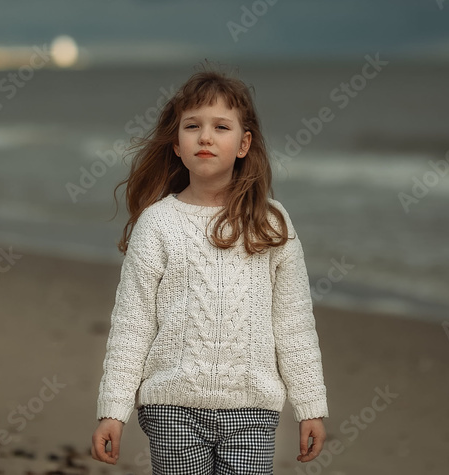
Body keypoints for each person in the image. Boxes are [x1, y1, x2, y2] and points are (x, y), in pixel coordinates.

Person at [90, 64, 329, 474]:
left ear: (243, 143)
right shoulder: (157, 223)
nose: (205, 136)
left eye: (221, 127)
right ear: (176, 146)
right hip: (172, 406)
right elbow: (133, 322)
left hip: (252, 409)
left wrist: (311, 405)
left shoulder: (272, 223)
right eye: (192, 126)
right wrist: (113, 408)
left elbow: (293, 323)